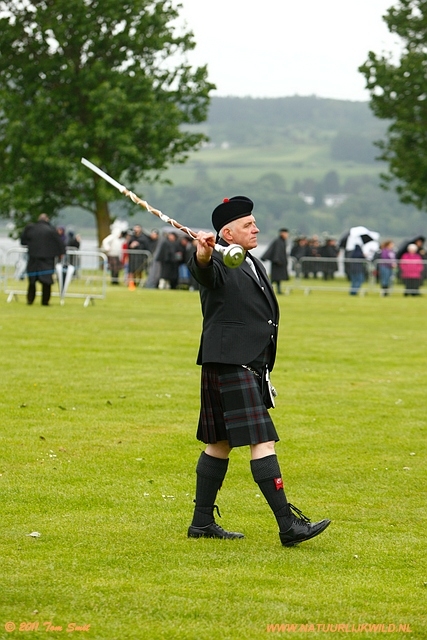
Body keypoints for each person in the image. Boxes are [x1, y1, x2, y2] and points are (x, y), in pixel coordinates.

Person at [186, 195, 331, 547]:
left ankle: (201, 522)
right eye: (249, 225)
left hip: (246, 362)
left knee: (219, 443)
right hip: (231, 360)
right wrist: (204, 252)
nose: (257, 228)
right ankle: (288, 525)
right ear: (227, 233)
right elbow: (203, 269)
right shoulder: (218, 260)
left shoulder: (247, 260)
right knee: (262, 442)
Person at [20, 213, 65, 305]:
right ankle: (45, 301)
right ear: (47, 220)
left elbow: (23, 241)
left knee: (32, 280)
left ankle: (30, 300)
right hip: (47, 259)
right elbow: (60, 244)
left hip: (33, 258)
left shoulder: (31, 229)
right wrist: (60, 254)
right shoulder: (51, 230)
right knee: (47, 281)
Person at [260, 228, 289, 294]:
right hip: (277, 263)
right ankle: (266, 289)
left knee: (278, 279)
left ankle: (277, 290)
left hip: (279, 263)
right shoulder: (278, 241)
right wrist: (277, 260)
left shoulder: (282, 241)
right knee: (274, 279)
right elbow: (277, 252)